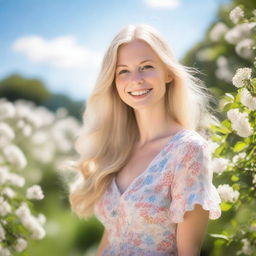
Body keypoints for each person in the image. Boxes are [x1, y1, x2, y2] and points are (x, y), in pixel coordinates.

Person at [68, 24, 222, 256]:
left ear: (169, 73)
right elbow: (112, 233)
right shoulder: (118, 147)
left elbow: (188, 252)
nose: (136, 79)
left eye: (146, 67)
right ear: (114, 81)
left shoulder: (187, 150)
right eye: (123, 71)